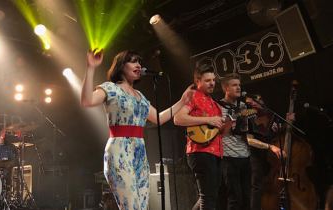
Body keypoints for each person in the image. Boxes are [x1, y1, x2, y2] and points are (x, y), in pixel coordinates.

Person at [80, 49, 194, 210]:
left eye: (139, 62)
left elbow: (158, 118)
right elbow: (87, 101)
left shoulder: (140, 96)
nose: (138, 65)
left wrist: (182, 101)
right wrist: (91, 68)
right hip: (119, 150)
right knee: (130, 205)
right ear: (121, 66)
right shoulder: (110, 88)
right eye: (133, 61)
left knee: (141, 206)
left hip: (139, 152)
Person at [218, 74, 283, 210]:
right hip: (229, 157)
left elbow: (252, 132)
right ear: (225, 88)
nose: (238, 87)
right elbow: (219, 132)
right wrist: (232, 120)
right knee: (235, 198)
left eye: (239, 85)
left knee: (248, 198)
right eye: (234, 85)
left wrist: (272, 127)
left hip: (246, 157)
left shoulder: (244, 106)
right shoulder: (218, 106)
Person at [173, 66, 223, 210]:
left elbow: (219, 132)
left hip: (216, 152)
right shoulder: (193, 96)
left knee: (209, 196)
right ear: (197, 81)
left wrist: (228, 123)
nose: (212, 83)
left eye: (213, 80)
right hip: (200, 151)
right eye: (207, 80)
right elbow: (178, 118)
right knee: (208, 198)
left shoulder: (215, 104)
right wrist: (208, 120)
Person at [244, 95, 288, 210]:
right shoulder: (246, 115)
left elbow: (271, 133)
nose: (254, 103)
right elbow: (249, 140)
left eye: (257, 100)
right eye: (250, 102)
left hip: (268, 157)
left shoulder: (269, 115)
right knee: (256, 186)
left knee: (269, 185)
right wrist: (270, 147)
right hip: (253, 155)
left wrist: (286, 122)